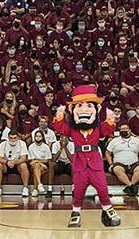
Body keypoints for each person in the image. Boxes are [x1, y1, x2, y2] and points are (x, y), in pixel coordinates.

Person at [52, 85, 121, 227]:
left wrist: (111, 118)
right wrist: (59, 115)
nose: (84, 110)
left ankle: (107, 209)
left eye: (89, 105)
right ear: (72, 110)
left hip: (95, 162)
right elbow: (60, 128)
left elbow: (108, 128)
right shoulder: (72, 129)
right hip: (79, 163)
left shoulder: (97, 127)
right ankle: (76, 213)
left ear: (97, 110)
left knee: (102, 188)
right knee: (78, 190)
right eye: (79, 106)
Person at [106, 123, 139, 196]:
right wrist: (111, 164)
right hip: (119, 164)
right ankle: (131, 186)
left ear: (130, 130)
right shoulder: (115, 140)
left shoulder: (136, 140)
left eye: (125, 129)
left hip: (134, 164)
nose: (123, 130)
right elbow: (107, 153)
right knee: (117, 169)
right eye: (122, 129)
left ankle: (129, 187)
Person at [0, 132, 30, 198]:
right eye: (11, 138)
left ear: (18, 138)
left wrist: (14, 162)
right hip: (6, 164)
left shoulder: (22, 143)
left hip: (17, 164)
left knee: (24, 165)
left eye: (14, 138)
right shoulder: (3, 144)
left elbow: (23, 158)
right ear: (8, 138)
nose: (13, 140)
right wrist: (7, 162)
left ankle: (25, 188)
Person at [28, 131, 52, 196]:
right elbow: (31, 161)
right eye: (37, 136)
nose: (38, 138)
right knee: (36, 166)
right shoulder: (31, 147)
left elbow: (47, 160)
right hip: (35, 165)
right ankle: (39, 184)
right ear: (34, 137)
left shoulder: (46, 147)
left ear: (42, 137)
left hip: (44, 167)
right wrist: (41, 163)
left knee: (36, 166)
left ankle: (35, 189)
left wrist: (37, 161)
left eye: (39, 136)